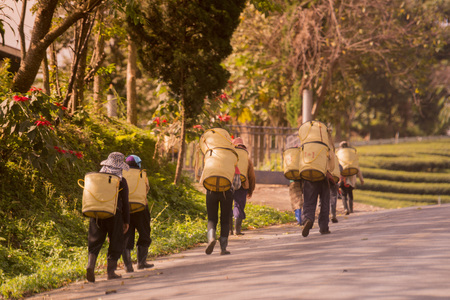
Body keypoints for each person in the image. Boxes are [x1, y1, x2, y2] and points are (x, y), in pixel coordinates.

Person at [86, 152, 130, 282]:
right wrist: (126, 221)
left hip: (96, 213)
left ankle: (90, 265)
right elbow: (126, 203)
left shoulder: (97, 178)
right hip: (114, 214)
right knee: (116, 241)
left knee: (95, 241)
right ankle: (111, 272)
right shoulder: (121, 181)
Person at [121, 155, 154, 273]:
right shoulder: (142, 174)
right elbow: (146, 189)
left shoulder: (121, 174)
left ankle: (127, 266)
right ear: (138, 164)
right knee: (144, 233)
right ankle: (141, 262)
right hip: (141, 208)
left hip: (125, 210)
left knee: (126, 235)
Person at [231, 137, 256, 235]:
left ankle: (228, 230)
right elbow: (252, 176)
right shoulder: (247, 159)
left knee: (228, 205)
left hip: (228, 183)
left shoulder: (229, 156)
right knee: (238, 205)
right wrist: (251, 190)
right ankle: (237, 230)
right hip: (243, 184)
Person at [338, 141, 364, 215]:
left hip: (343, 177)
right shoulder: (352, 154)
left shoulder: (340, 154)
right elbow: (357, 168)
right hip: (352, 177)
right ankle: (351, 209)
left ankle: (346, 209)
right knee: (350, 193)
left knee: (343, 194)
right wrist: (361, 179)